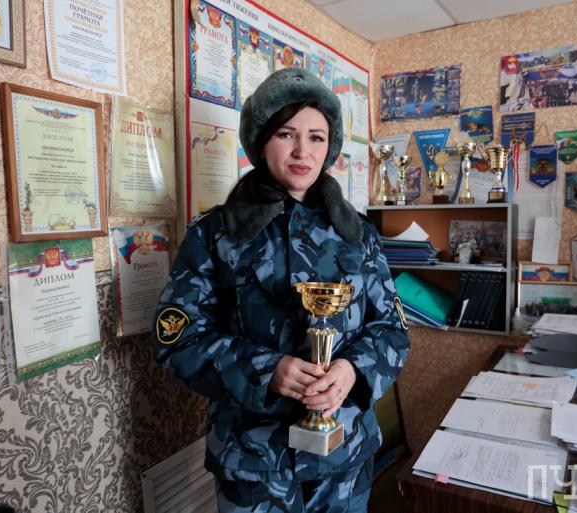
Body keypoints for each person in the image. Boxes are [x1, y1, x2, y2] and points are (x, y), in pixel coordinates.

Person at [152, 67, 410, 512]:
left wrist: (351, 370)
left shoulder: (358, 234)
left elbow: (392, 329)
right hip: (254, 466)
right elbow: (176, 338)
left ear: (329, 146)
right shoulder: (215, 233)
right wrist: (265, 369)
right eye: (286, 134)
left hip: (345, 458)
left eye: (316, 137)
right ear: (260, 140)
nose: (302, 151)